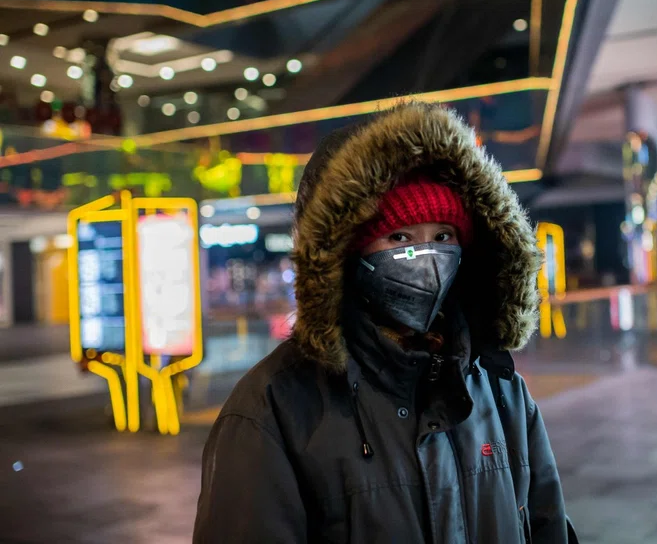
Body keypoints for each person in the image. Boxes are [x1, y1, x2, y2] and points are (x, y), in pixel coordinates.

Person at [194, 102, 575, 543]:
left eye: (443, 237)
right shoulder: (273, 409)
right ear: (345, 254)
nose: (427, 258)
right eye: (400, 238)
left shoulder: (502, 389)